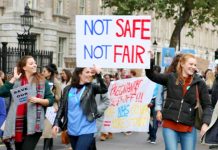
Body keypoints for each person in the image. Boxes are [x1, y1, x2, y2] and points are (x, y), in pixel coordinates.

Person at [146, 53, 212, 150]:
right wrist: (150, 59)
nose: (193, 67)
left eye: (195, 65)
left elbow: (207, 106)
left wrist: (205, 123)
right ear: (182, 63)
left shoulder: (199, 83)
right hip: (170, 125)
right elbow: (151, 75)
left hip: (188, 127)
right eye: (190, 64)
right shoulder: (171, 78)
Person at [0, 56, 54, 150]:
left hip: (35, 125)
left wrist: (38, 100)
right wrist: (13, 78)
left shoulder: (42, 81)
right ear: (24, 67)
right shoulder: (17, 81)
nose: (35, 65)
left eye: (35, 63)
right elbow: (2, 92)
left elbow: (51, 100)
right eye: (31, 63)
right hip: (17, 125)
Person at [52, 66, 108, 150]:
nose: (90, 75)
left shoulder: (91, 87)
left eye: (91, 72)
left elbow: (104, 89)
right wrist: (56, 123)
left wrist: (99, 74)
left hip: (87, 129)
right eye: (87, 72)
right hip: (72, 129)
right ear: (79, 74)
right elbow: (62, 107)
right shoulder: (68, 89)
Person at [42, 64, 61, 150]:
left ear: (49, 73)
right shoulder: (42, 81)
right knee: (48, 130)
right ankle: (50, 147)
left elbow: (59, 97)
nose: (42, 73)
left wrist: (51, 94)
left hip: (52, 107)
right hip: (43, 105)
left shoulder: (56, 82)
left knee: (48, 129)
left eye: (44, 71)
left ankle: (46, 148)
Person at [147, 65, 161, 144]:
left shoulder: (161, 81)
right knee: (145, 120)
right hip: (148, 101)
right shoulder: (148, 80)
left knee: (155, 121)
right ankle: (151, 133)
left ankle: (153, 138)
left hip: (156, 101)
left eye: (156, 72)